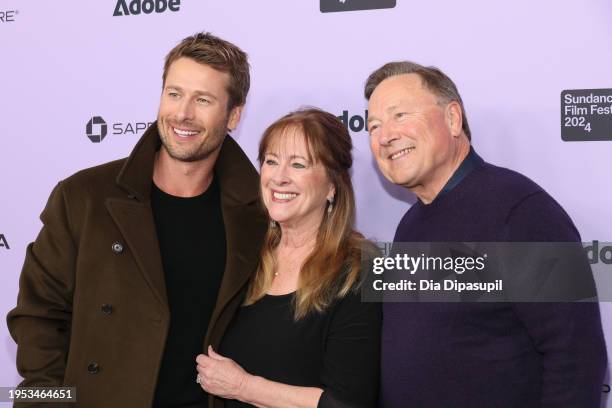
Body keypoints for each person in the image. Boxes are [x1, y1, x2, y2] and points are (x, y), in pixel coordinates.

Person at [7, 32, 267, 407]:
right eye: (174, 94)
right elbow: (37, 319)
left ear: (234, 115)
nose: (183, 113)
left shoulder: (258, 214)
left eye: (203, 100)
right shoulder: (84, 198)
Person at [364, 61, 607, 407]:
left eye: (400, 115)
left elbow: (576, 358)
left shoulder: (522, 212)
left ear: (452, 118)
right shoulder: (409, 225)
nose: (385, 135)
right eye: (373, 126)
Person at [194, 108, 381, 408]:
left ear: (332, 186)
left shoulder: (359, 270)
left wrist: (244, 386)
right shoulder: (243, 258)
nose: (279, 178)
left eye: (298, 164)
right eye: (271, 161)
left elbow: (346, 403)